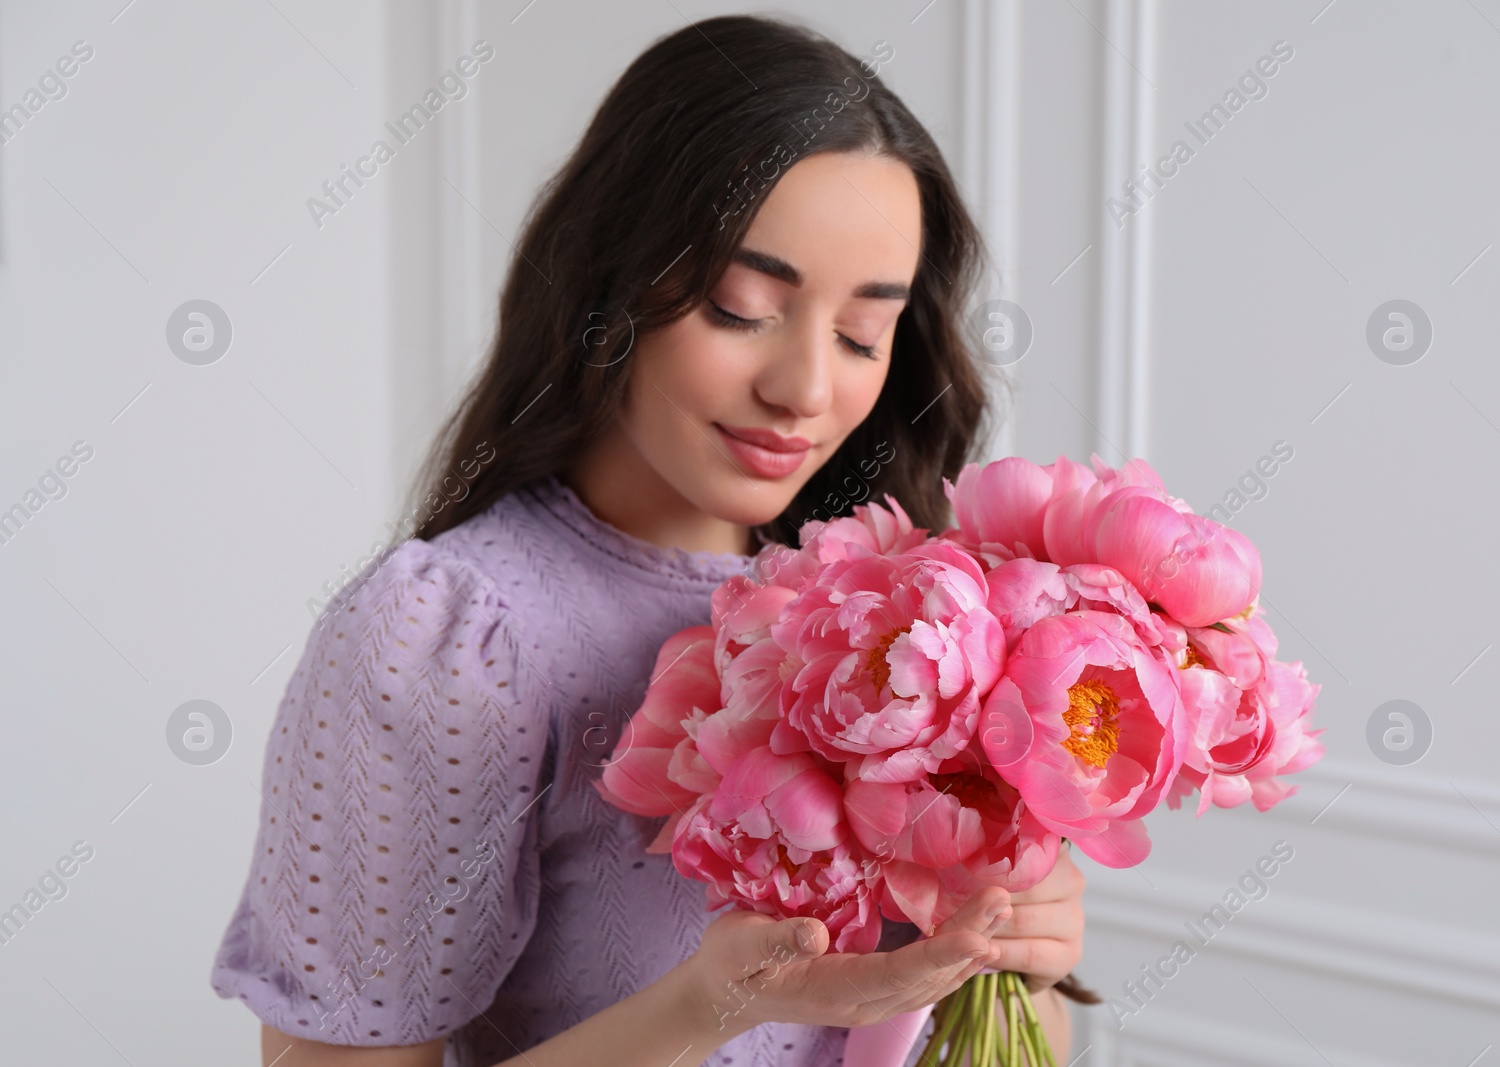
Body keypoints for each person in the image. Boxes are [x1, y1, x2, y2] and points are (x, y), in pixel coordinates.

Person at [210, 14, 1089, 1066]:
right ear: (608, 286)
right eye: (739, 307)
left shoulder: (912, 622)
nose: (805, 388)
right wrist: (704, 1007)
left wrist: (1020, 957)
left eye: (863, 333)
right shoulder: (449, 642)